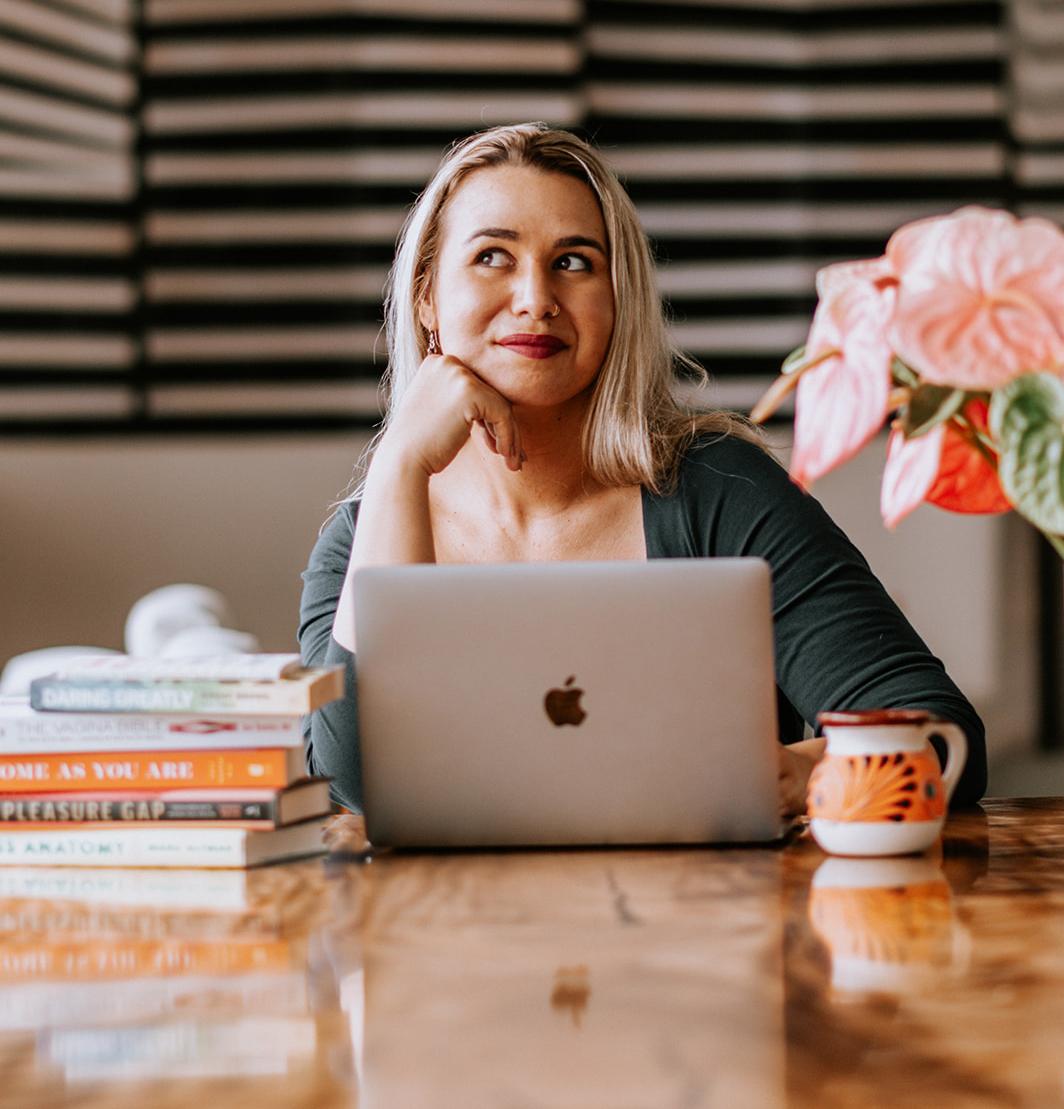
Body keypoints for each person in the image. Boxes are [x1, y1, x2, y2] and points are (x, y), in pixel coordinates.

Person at [299, 122, 987, 817]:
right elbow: (351, 776)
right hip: (450, 921)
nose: (536, 296)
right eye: (492, 257)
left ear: (617, 297)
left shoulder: (723, 491)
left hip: (704, 917)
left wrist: (794, 772)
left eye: (574, 262)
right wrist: (399, 465)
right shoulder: (362, 538)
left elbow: (940, 732)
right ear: (427, 299)